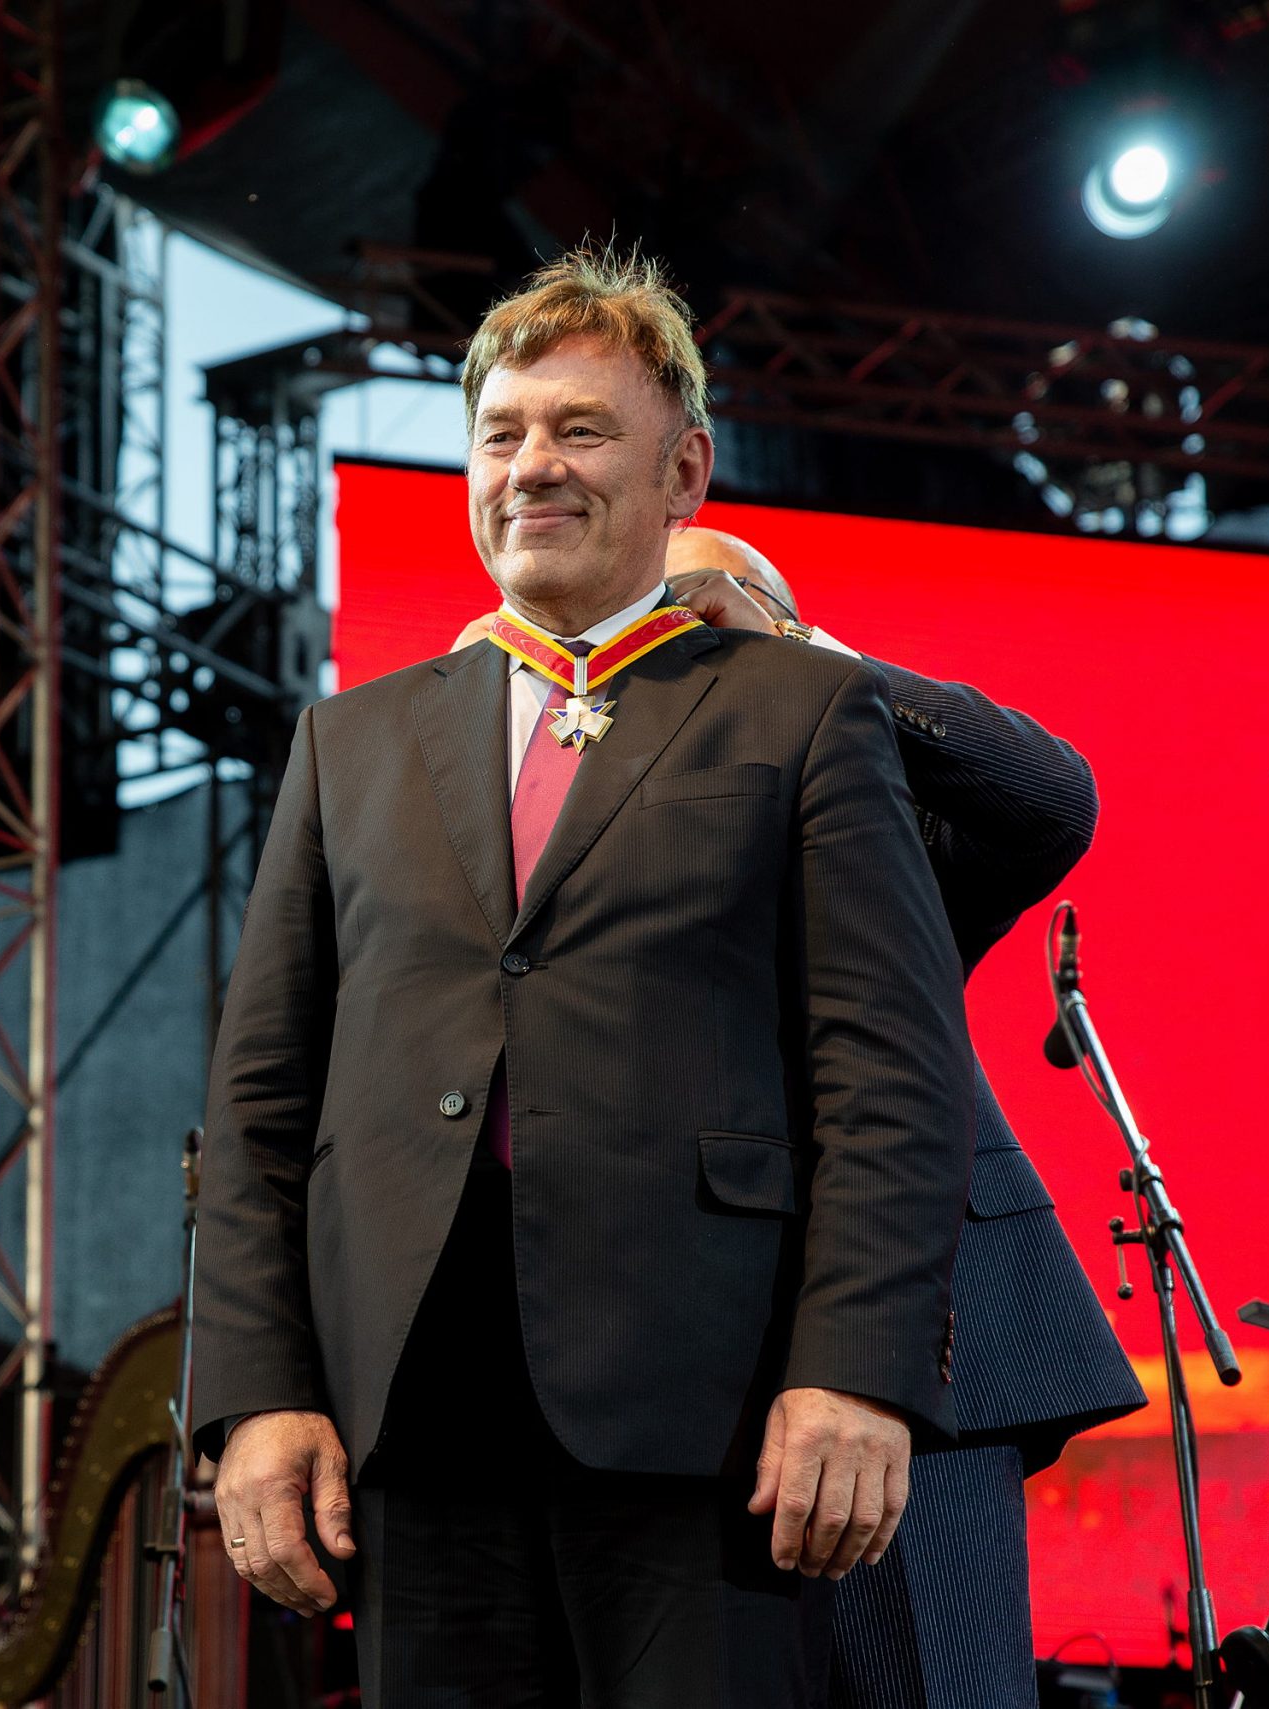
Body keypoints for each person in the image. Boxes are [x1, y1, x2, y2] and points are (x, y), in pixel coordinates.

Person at [193, 248, 975, 1705]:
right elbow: (256, 1106)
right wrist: (254, 1393)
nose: (532, 466)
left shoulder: (802, 709)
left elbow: (891, 1076)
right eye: (500, 434)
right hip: (415, 1416)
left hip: (714, 1424)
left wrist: (858, 1368)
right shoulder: (350, 742)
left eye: (579, 430)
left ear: (684, 471)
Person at [471, 529, 1150, 1707]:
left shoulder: (885, 830)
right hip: (649, 1389)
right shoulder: (558, 863)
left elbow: (1048, 801)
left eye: (691, 614)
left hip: (916, 1374)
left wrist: (798, 654)